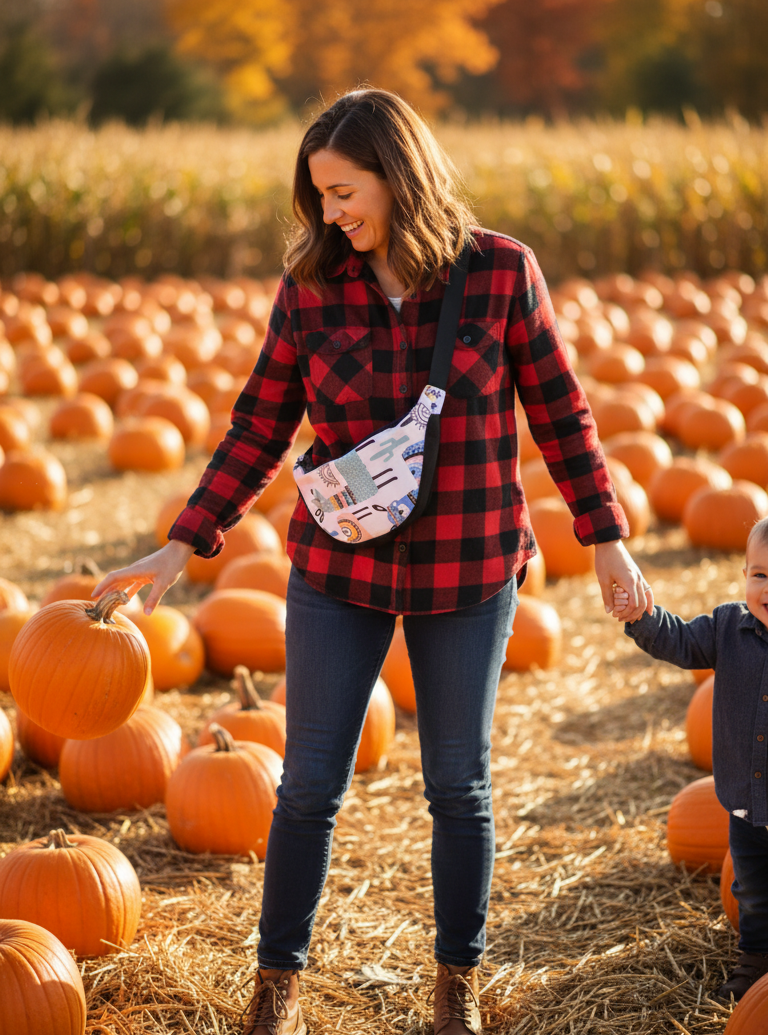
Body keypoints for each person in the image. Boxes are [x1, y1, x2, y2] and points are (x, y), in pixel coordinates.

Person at [95, 89, 652, 1035]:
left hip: (467, 566)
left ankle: (455, 990)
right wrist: (185, 541)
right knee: (308, 782)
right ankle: (277, 989)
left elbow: (562, 415)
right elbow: (260, 424)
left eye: (344, 191)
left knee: (457, 786)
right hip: (337, 571)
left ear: (399, 174)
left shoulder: (500, 274)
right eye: (318, 196)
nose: (330, 213)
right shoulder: (312, 286)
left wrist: (606, 540)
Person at [615, 515, 768, 1003]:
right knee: (755, 894)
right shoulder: (728, 627)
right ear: (744, 573)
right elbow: (679, 641)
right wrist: (640, 617)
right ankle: (754, 963)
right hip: (744, 802)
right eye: (761, 574)